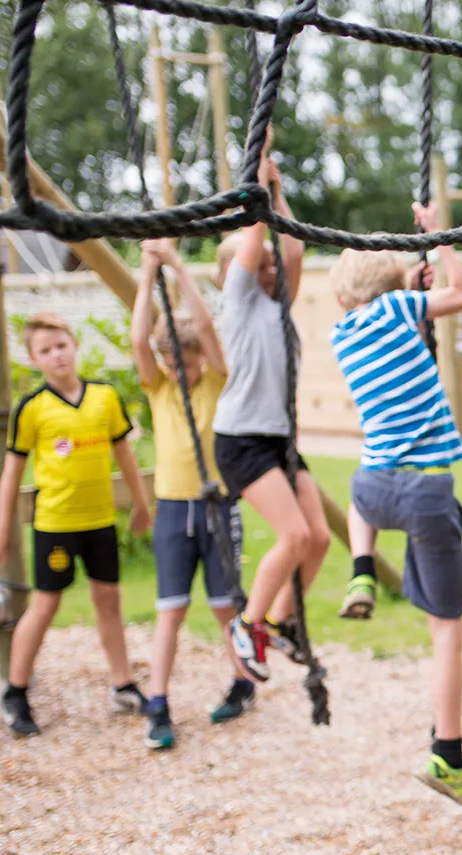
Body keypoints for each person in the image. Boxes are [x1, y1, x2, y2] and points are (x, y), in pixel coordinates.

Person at [327, 206, 462, 810]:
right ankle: (448, 755)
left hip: (374, 490)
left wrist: (407, 285)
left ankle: (361, 570)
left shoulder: (343, 334)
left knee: (358, 489)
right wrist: (440, 239)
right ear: (395, 286)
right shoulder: (400, 309)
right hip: (425, 492)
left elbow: (396, 314)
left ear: (343, 295)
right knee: (447, 633)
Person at [0, 314, 151, 737]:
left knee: (109, 600)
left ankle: (123, 685)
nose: (56, 355)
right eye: (45, 350)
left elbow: (124, 455)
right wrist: (1, 529)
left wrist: (141, 504)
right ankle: (15, 691)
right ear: (34, 359)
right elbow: (11, 474)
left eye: (61, 345)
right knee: (45, 604)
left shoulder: (104, 397)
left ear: (74, 346)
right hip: (55, 525)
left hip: (100, 522)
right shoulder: (32, 408)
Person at [211, 133, 332, 680]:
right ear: (234, 271)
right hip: (241, 438)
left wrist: (277, 189)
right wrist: (256, 182)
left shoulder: (278, 303)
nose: (270, 270)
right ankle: (248, 623)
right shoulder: (238, 302)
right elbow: (258, 236)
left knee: (319, 538)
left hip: (277, 438)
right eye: (258, 264)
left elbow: (294, 250)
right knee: (295, 536)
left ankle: (282, 622)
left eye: (270, 266)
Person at [130, 239, 257, 750]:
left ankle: (243, 682)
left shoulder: (217, 381)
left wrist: (178, 267)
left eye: (190, 362)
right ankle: (158, 703)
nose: (183, 371)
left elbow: (205, 326)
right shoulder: (160, 386)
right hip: (173, 509)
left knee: (226, 608)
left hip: (217, 505)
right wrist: (147, 272)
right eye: (174, 363)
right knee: (171, 610)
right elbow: (139, 339)